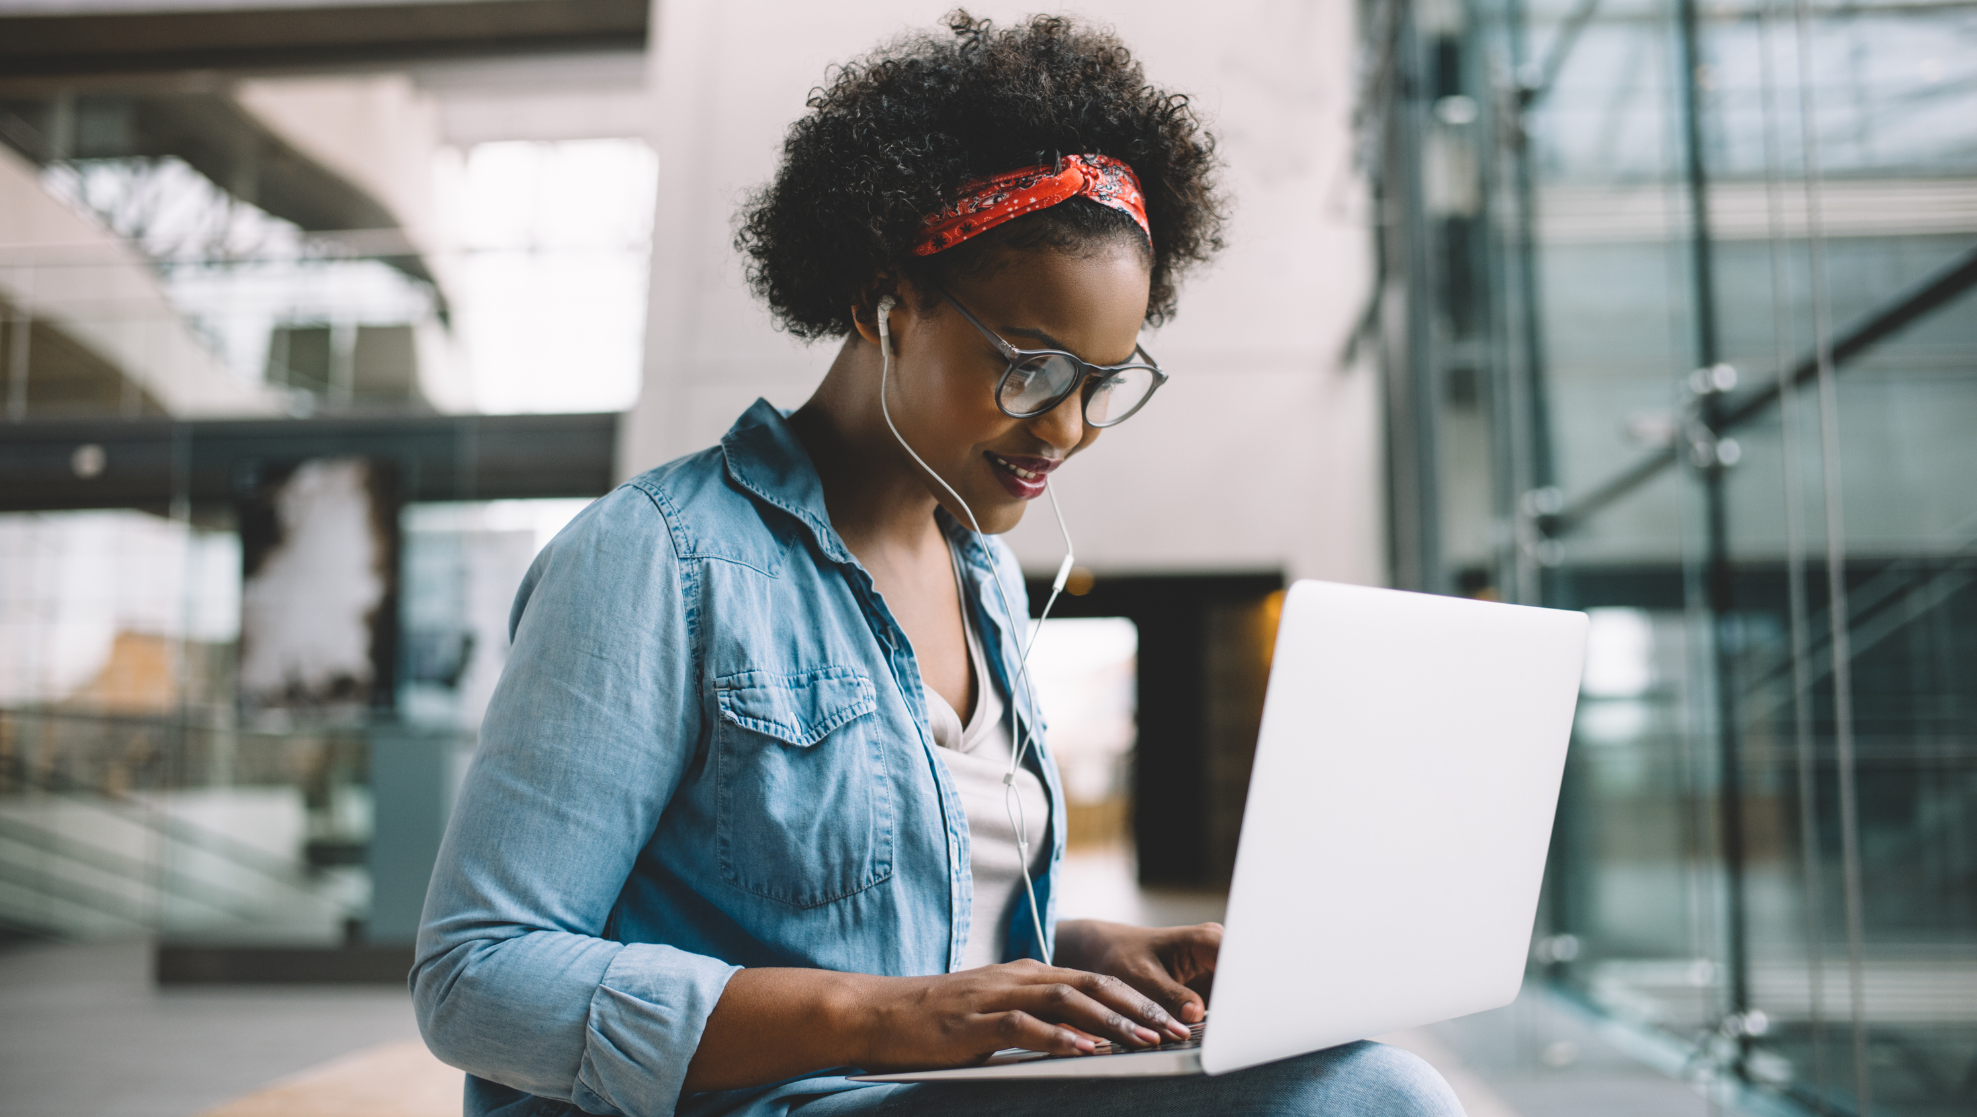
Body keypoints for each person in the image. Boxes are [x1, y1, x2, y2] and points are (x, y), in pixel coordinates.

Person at [412, 13, 1464, 1117]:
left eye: (1104, 382)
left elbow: (925, 916)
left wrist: (1087, 959)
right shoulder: (655, 561)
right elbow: (477, 976)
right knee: (1369, 1099)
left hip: (932, 1093)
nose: (1066, 430)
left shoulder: (985, 580)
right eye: (1029, 369)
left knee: (1353, 1081)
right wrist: (881, 1018)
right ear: (886, 304)